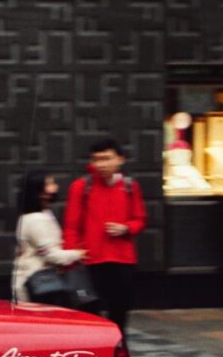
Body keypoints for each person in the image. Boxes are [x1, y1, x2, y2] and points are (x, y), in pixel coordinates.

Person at [63, 137, 147, 334]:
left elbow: (140, 219)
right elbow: (71, 226)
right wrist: (72, 256)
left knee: (120, 311)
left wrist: (126, 228)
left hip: (123, 259)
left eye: (107, 158)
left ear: (120, 159)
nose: (101, 164)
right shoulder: (81, 186)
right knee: (89, 312)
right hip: (91, 260)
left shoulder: (129, 186)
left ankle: (118, 352)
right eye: (97, 159)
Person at [12, 171, 87, 303]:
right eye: (50, 184)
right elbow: (50, 254)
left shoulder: (41, 214)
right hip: (37, 283)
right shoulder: (36, 220)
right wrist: (78, 254)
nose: (55, 187)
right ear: (39, 193)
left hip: (40, 282)